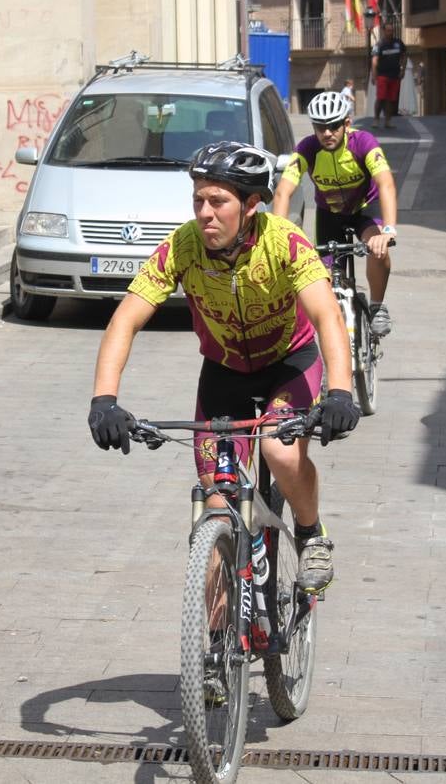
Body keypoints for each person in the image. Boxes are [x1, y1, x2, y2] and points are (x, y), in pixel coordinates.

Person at [88, 141, 360, 596]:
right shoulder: (183, 246)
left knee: (279, 450)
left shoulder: (285, 243)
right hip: (224, 370)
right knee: (216, 501)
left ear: (251, 204)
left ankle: (312, 534)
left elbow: (327, 315)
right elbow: (127, 318)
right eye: (198, 200)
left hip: (288, 362)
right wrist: (104, 400)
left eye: (218, 202)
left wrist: (341, 392)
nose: (205, 213)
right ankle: (214, 650)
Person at [272, 90, 399, 336]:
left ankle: (376, 306)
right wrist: (277, 237)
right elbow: (283, 193)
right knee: (324, 278)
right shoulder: (307, 148)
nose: (327, 133)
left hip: (364, 208)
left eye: (333, 126)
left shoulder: (363, 142)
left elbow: (386, 183)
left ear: (346, 123)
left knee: (377, 249)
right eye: (320, 127)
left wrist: (389, 230)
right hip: (329, 214)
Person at [370, 22, 407, 128]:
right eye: (388, 30)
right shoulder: (379, 44)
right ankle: (376, 119)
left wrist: (403, 70)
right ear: (384, 31)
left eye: (392, 30)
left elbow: (404, 56)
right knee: (381, 98)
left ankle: (388, 121)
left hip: (395, 75)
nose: (390, 32)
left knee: (391, 100)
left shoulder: (399, 43)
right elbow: (374, 60)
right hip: (382, 75)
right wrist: (374, 75)